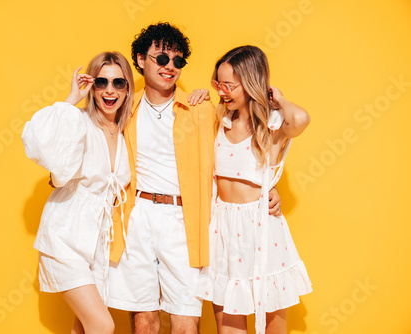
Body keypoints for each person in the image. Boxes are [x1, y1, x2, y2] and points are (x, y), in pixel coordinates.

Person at [107, 23, 282, 333]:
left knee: (186, 320)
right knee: (143, 319)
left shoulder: (202, 109)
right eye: (162, 59)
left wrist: (269, 185)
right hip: (137, 216)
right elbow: (91, 141)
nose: (170, 67)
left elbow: (240, 148)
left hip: (186, 221)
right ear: (140, 59)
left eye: (177, 61)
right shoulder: (124, 107)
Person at [197, 45, 313, 334]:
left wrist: (279, 98)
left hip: (260, 228)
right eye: (218, 83)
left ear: (250, 83)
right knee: (227, 325)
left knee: (272, 322)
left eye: (229, 85)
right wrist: (200, 97)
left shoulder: (272, 125)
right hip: (222, 228)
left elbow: (299, 120)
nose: (222, 91)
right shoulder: (218, 120)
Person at [21, 51, 134, 334]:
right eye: (101, 82)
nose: (110, 90)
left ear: (127, 88)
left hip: (98, 244)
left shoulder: (123, 131)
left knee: (83, 327)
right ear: (92, 87)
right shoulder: (78, 122)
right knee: (102, 325)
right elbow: (40, 143)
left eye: (118, 83)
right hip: (65, 237)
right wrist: (72, 98)